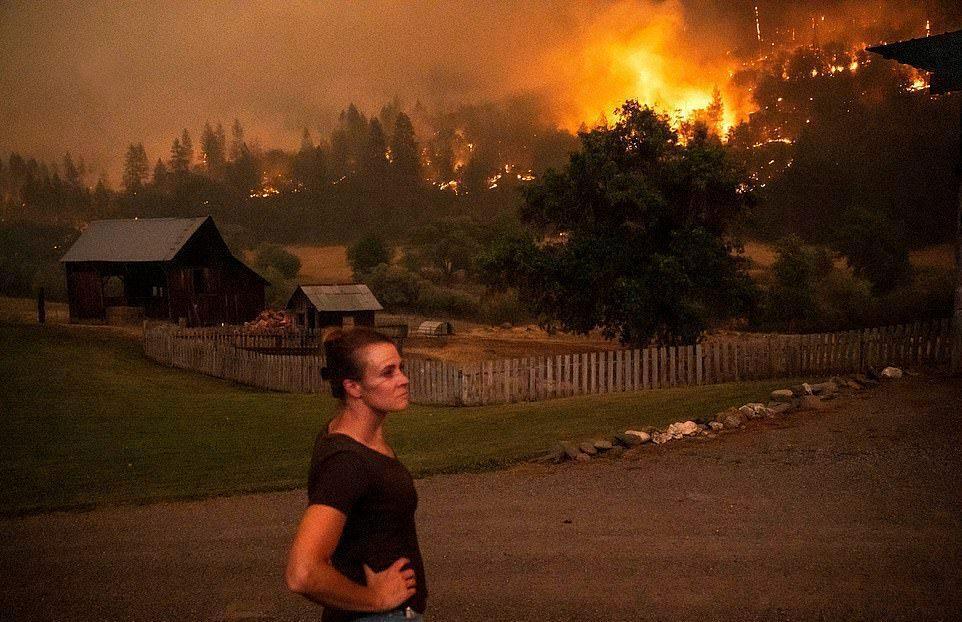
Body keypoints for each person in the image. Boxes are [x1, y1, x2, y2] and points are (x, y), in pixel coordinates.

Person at [286, 327, 426, 621]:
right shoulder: (347, 462)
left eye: (401, 368)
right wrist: (374, 599)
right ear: (354, 387)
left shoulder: (357, 437)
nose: (404, 379)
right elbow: (302, 572)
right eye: (388, 373)